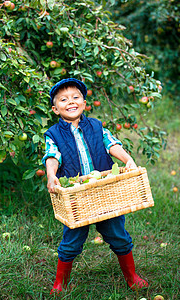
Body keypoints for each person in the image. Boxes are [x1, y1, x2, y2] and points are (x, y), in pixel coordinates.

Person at [42, 78, 149, 294]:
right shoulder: (53, 134)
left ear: (83, 103)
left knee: (118, 235)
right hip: (76, 197)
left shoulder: (96, 126)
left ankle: (131, 276)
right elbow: (52, 155)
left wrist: (127, 160)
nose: (70, 102)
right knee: (71, 241)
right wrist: (51, 174)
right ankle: (60, 282)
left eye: (75, 97)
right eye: (63, 99)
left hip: (104, 192)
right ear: (55, 109)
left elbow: (112, 144)